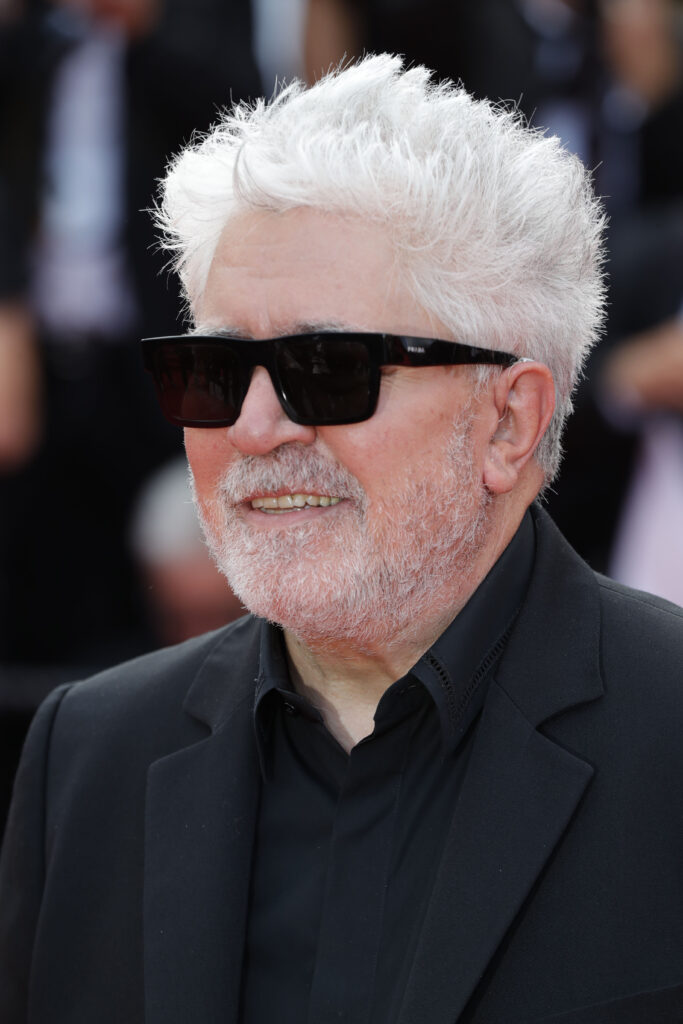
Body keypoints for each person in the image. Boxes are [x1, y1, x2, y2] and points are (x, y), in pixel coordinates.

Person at [1, 55, 682, 1024]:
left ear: (506, 421)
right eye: (212, 370)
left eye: (327, 368)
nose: (253, 428)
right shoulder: (89, 756)